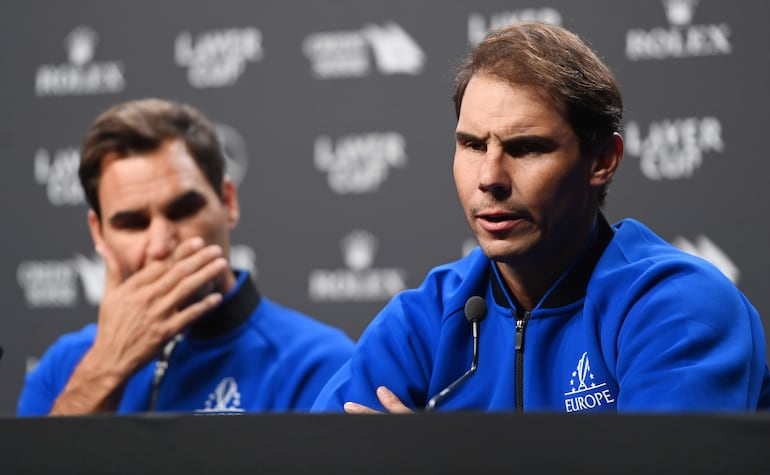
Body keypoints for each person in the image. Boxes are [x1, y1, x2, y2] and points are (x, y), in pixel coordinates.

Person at [311, 22, 770, 413]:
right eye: (472, 144)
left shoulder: (678, 308)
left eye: (525, 148)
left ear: (602, 161)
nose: (489, 178)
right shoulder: (425, 319)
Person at [17, 98, 354, 415]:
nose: (161, 244)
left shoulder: (319, 362)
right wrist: (104, 371)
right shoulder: (64, 366)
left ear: (228, 202)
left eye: (182, 210)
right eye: (133, 223)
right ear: (98, 233)